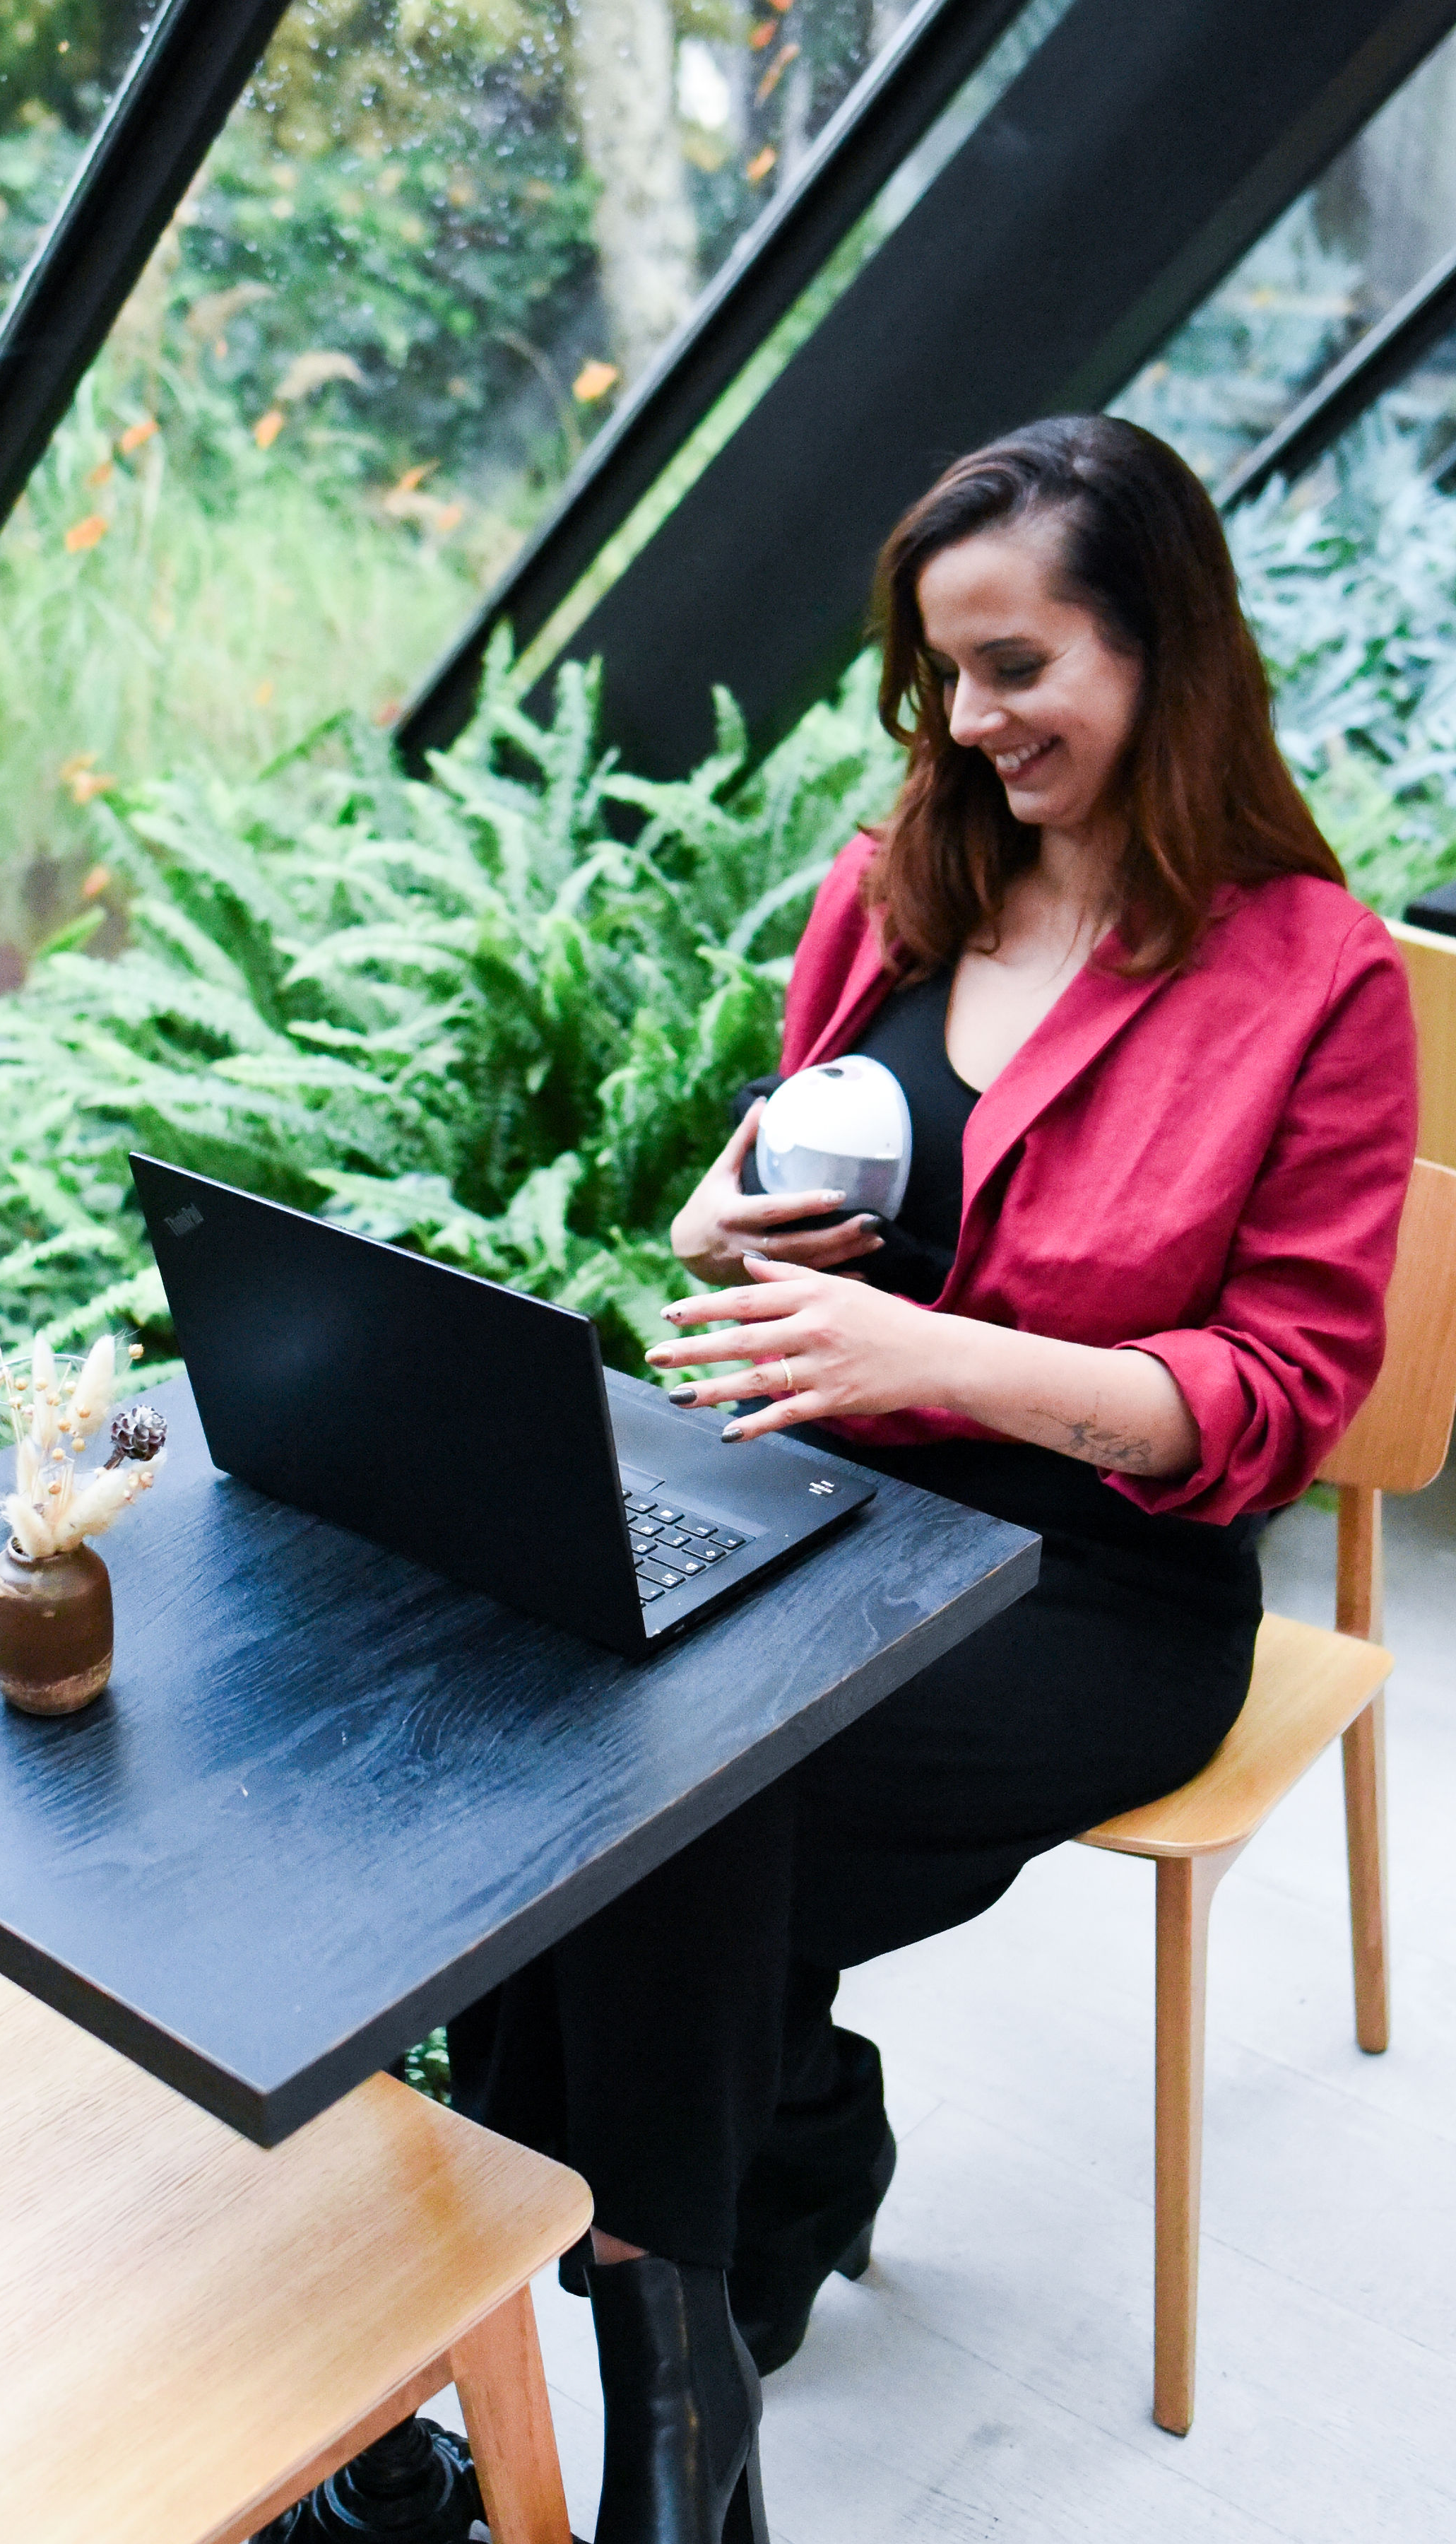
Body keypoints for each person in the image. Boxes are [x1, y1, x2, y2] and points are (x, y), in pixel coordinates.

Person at [447, 415, 1417, 2544]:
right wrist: (730, 1213)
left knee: (667, 1803)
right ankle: (745, 2195)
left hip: (1098, 1582)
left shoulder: (1313, 985)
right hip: (821, 1507)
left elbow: (1278, 1395)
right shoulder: (900, 885)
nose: (969, 724)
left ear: (1168, 649)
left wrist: (938, 1355)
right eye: (944, 675)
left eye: (1018, 668)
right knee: (559, 1730)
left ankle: (662, 2355)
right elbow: (797, 1145)